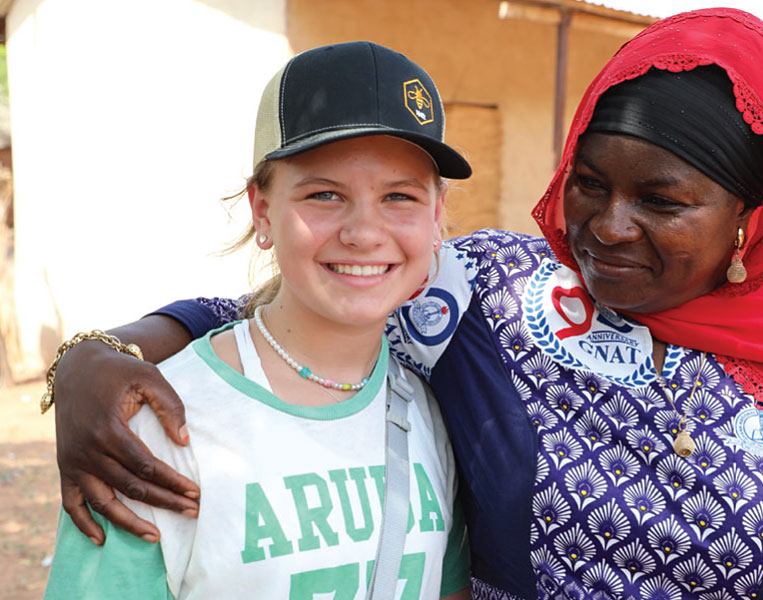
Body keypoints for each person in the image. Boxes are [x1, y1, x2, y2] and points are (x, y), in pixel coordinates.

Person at [48, 8, 763, 600]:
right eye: (587, 183)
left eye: (662, 201)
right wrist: (93, 357)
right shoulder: (495, 292)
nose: (608, 229)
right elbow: (318, 294)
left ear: (749, 216)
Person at [43, 41, 471, 599]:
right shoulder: (160, 429)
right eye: (324, 194)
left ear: (437, 215)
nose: (365, 233)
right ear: (262, 211)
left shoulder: (430, 411)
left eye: (399, 197)